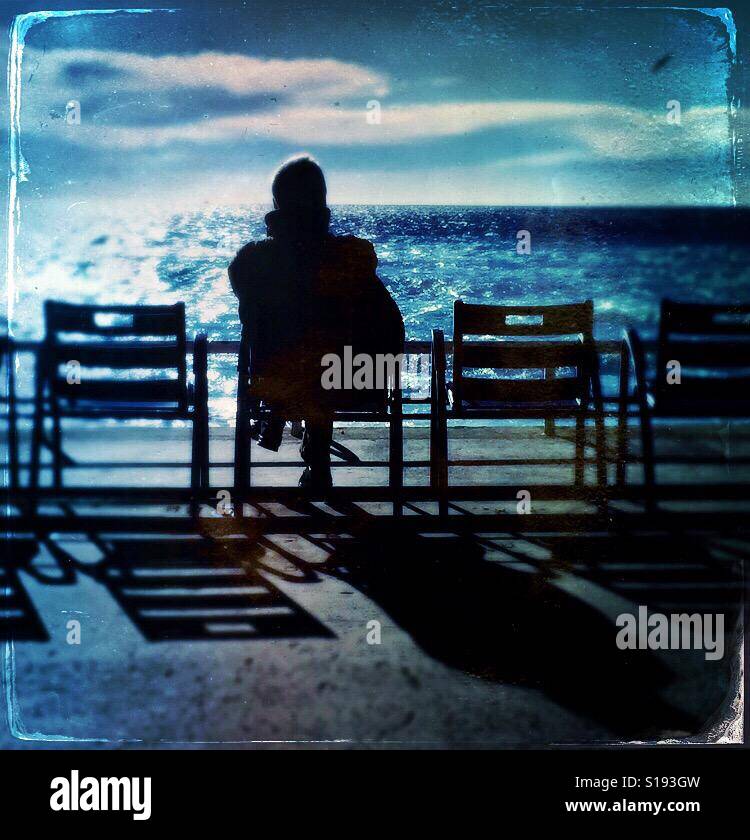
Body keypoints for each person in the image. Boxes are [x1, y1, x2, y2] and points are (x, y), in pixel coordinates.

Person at [229, 156, 404, 490]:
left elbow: (248, 312)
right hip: (359, 381)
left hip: (283, 384)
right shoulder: (353, 256)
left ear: (278, 204)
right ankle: (317, 456)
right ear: (322, 202)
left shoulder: (255, 262)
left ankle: (316, 460)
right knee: (323, 359)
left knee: (310, 361)